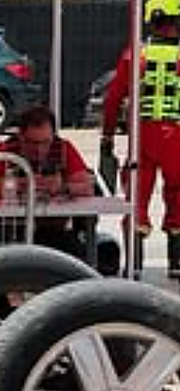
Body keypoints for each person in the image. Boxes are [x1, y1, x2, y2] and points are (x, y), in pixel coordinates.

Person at [103, 0, 180, 276]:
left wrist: (107, 136)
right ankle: (177, 263)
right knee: (178, 197)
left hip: (142, 137)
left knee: (136, 198)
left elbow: (113, 99)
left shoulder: (135, 54)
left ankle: (134, 265)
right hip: (177, 137)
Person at [0, 105, 96, 261]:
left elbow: (87, 186)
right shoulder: (5, 150)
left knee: (74, 251)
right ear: (21, 136)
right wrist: (21, 185)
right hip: (9, 229)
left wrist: (62, 187)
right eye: (32, 143)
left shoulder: (64, 149)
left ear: (53, 135)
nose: (39, 149)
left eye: (45, 142)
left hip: (53, 230)